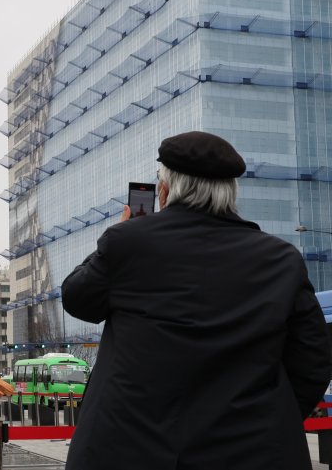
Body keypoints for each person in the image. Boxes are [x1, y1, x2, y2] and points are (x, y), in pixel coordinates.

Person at [61, 131, 332, 470]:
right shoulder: (281, 259)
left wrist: (125, 233)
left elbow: (77, 299)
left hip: (129, 448)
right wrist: (268, 413)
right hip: (254, 451)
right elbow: (313, 361)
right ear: (231, 193)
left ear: (165, 189)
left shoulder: (128, 243)